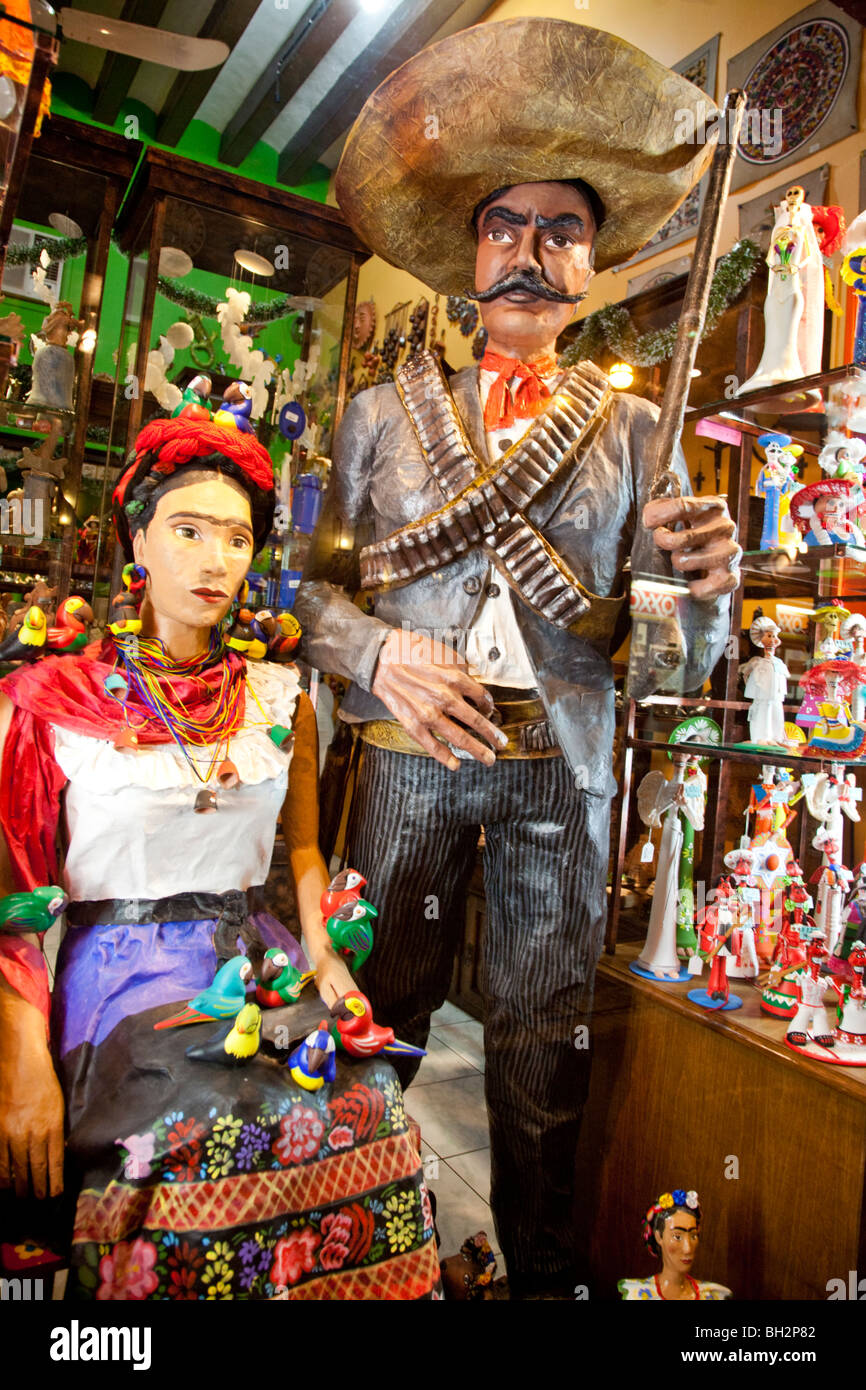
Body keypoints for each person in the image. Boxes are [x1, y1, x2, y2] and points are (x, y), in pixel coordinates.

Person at [296, 18, 739, 1296]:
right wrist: (378, 655)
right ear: (470, 251)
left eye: (562, 229)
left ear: (592, 265)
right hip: (404, 752)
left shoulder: (643, 431)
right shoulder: (378, 417)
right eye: (508, 225)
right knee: (371, 1010)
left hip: (560, 767)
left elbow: (665, 661)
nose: (532, 253)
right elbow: (307, 599)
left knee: (543, 1051)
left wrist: (701, 597)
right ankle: (352, 1249)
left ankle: (542, 1276)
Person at [0, 415, 440, 1300]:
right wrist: (20, 1058)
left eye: (237, 539)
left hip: (253, 960)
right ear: (137, 540)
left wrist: (324, 954)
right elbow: (12, 893)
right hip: (115, 974)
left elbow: (306, 848)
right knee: (194, 1131)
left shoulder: (282, 694)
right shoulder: (48, 697)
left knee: (372, 1114)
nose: (214, 562)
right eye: (188, 531)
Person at [618, 1188, 731, 1300]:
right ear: (659, 1237)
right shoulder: (639, 1295)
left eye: (693, 1236)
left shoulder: (712, 1295)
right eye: (677, 1237)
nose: (688, 1248)